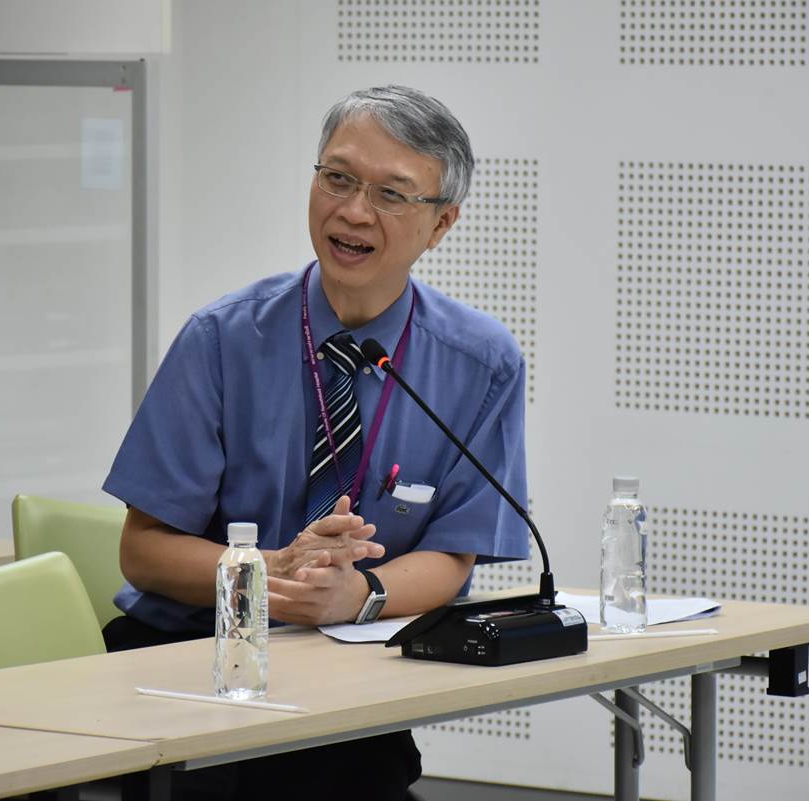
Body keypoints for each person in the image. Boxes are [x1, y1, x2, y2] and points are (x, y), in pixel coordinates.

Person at [102, 85, 529, 801]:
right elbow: (142, 551)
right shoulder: (222, 339)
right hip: (184, 658)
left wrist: (350, 595)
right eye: (337, 178)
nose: (354, 211)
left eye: (392, 194)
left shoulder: (479, 363)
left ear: (442, 223)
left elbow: (454, 558)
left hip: (350, 673)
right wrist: (271, 578)